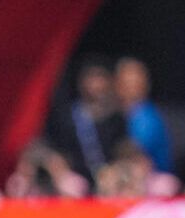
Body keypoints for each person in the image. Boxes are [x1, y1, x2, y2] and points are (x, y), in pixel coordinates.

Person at [46, 57, 128, 185]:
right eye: (91, 78)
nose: (96, 85)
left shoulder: (116, 116)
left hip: (111, 175)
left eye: (100, 78)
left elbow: (124, 149)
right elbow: (56, 151)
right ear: (81, 82)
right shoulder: (67, 116)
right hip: (75, 175)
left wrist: (116, 170)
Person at [115, 57, 173, 173]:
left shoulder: (148, 118)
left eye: (136, 82)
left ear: (146, 85)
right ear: (117, 84)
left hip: (154, 179)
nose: (131, 88)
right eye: (126, 83)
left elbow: (133, 152)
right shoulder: (116, 113)